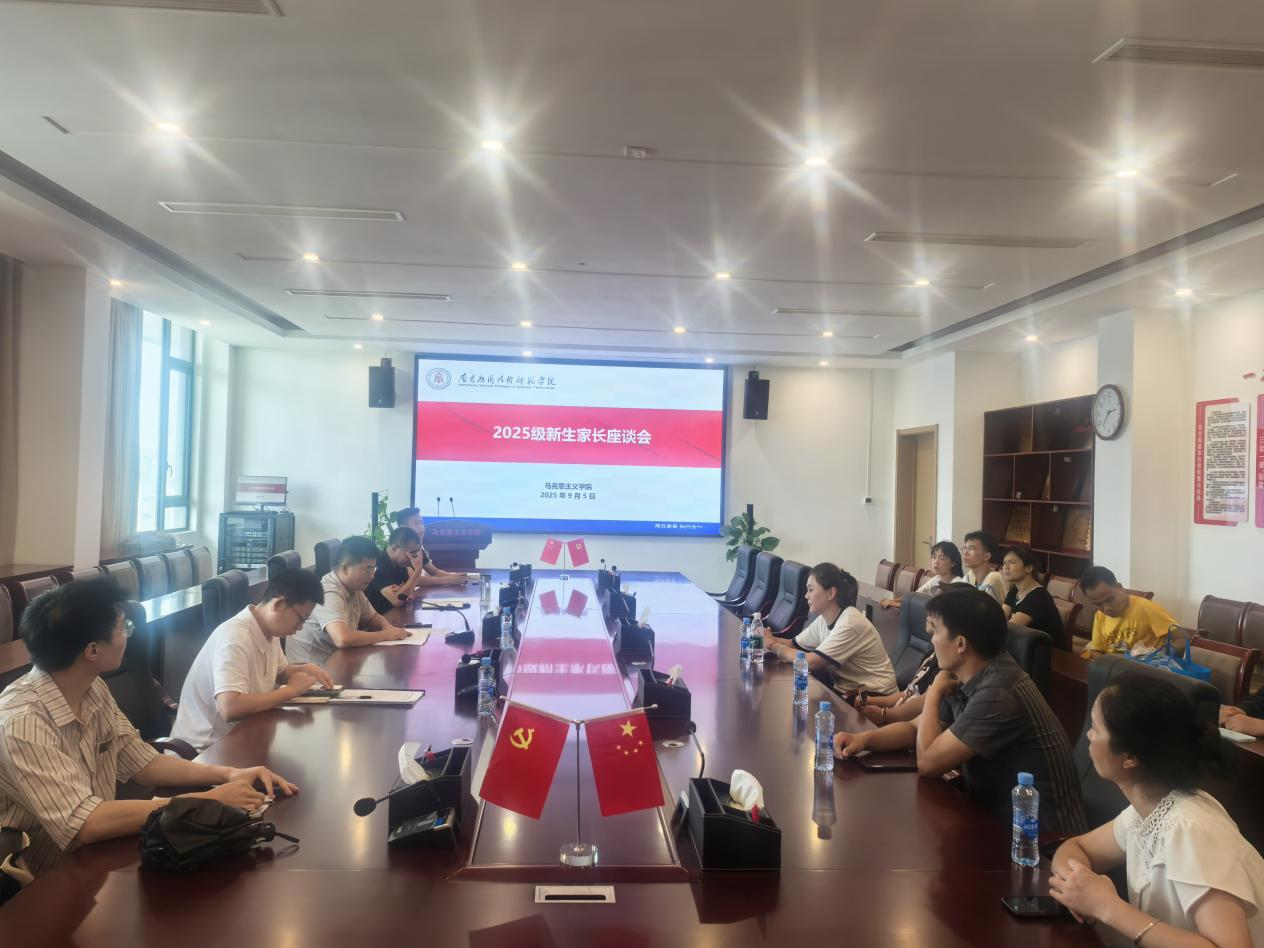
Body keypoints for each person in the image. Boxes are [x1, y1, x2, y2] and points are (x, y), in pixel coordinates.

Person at [0, 578, 295, 878]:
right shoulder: (23, 722)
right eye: (124, 629)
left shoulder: (92, 689)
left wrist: (229, 774)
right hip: (43, 880)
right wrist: (209, 801)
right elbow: (86, 822)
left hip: (94, 858)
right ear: (92, 651)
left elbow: (142, 762)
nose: (129, 635)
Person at [833, 587, 1086, 834]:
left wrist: (933, 694)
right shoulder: (964, 675)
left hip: (1040, 841)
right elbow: (915, 729)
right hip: (992, 819)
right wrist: (863, 740)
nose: (931, 639)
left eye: (935, 630)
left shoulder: (999, 692)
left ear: (961, 643)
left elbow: (928, 762)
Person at [1050, 674, 1264, 944]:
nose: (1088, 736)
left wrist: (1106, 905)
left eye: (1096, 728)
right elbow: (1075, 847)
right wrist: (1078, 886)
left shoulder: (1190, 828)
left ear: (1130, 758)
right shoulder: (1146, 811)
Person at [171, 569, 335, 751]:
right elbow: (230, 707)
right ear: (279, 604)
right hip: (203, 750)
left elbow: (280, 672)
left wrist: (305, 669)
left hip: (242, 736)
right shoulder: (235, 637)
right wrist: (290, 691)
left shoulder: (270, 630)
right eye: (301, 619)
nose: (301, 627)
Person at [761, 563, 897, 698]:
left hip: (876, 697)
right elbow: (792, 644)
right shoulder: (824, 618)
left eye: (811, 590)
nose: (806, 596)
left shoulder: (850, 623)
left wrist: (773, 645)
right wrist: (765, 636)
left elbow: (810, 662)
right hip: (849, 692)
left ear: (831, 593)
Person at [288, 536, 411, 663]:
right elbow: (342, 638)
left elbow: (371, 618)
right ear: (346, 568)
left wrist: (387, 627)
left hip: (337, 660)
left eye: (373, 569)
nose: (372, 576)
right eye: (367, 570)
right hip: (313, 668)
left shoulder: (354, 587)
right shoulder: (328, 592)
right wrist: (386, 635)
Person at [1079, 565, 1176, 658]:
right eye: (1098, 605)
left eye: (1109, 600)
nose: (1106, 608)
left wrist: (1161, 656)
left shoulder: (1146, 608)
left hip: (1147, 664)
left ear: (1119, 587)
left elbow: (1181, 639)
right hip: (1118, 664)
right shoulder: (1100, 615)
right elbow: (1097, 650)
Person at [879, 540, 970, 609]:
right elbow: (915, 595)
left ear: (953, 563)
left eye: (941, 558)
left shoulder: (957, 584)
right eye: (934, 557)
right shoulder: (937, 579)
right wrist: (892, 600)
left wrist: (893, 604)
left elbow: (930, 608)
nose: (936, 562)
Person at [999, 545, 1063, 640]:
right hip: (1025, 642)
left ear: (1028, 568)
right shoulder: (1015, 589)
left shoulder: (1038, 596)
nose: (1005, 567)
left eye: (1011, 562)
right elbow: (1000, 616)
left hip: (1047, 647)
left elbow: (1011, 629)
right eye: (1004, 563)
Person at [394, 507, 471, 586]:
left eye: (422, 523)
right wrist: (449, 580)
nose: (421, 527)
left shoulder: (418, 548)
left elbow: (434, 572)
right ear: (403, 528)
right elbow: (415, 580)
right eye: (417, 523)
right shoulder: (399, 549)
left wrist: (458, 577)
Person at [366, 527, 429, 613]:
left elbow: (408, 593)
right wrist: (418, 571)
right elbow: (398, 600)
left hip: (398, 613)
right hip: (381, 617)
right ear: (394, 548)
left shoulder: (399, 564)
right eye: (411, 553)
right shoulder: (379, 565)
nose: (412, 559)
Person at [961, 530, 1008, 604]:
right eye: (964, 548)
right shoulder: (970, 576)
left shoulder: (993, 577)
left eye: (970, 549)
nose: (965, 553)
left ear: (986, 556)